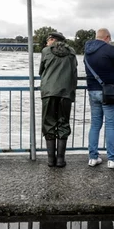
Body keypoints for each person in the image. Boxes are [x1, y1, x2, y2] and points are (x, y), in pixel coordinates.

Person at [84, 28, 114, 169]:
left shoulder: (87, 50)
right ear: (107, 37)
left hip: (92, 91)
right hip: (109, 92)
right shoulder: (109, 49)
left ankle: (93, 158)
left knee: (95, 125)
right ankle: (112, 160)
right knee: (110, 126)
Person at [39, 31, 78, 167]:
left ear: (52, 40)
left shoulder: (46, 51)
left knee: (48, 123)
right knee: (63, 123)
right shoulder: (72, 51)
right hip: (66, 93)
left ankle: (51, 160)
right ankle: (60, 159)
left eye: (48, 40)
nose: (47, 43)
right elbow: (74, 72)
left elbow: (41, 71)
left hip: (49, 92)